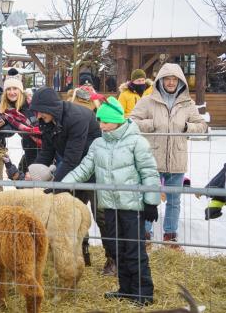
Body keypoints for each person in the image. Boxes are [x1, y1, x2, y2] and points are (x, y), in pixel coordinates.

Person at [62, 97, 161, 306]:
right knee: (118, 249)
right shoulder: (98, 143)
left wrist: (151, 202)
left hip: (132, 207)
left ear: (117, 120)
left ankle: (143, 292)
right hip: (109, 205)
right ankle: (125, 289)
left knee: (134, 250)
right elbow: (84, 168)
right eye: (99, 121)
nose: (101, 125)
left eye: (105, 121)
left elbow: (149, 173)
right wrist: (62, 184)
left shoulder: (137, 142)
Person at [30, 87, 112, 272]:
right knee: (73, 214)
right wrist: (33, 174)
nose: (39, 116)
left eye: (41, 111)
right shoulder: (48, 121)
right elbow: (47, 151)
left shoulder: (77, 117)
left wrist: (54, 186)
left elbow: (71, 157)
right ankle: (81, 254)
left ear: (51, 108)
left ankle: (112, 258)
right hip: (73, 171)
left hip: (95, 169)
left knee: (102, 214)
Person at [130, 63, 207, 250]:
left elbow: (203, 127)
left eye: (175, 79)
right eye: (167, 79)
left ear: (180, 82)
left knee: (174, 201)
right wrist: (152, 124)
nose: (171, 82)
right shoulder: (148, 101)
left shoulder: (187, 104)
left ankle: (170, 237)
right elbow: (131, 121)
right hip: (152, 160)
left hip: (177, 161)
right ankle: (145, 235)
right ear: (160, 81)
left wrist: (188, 128)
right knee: (149, 198)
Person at [0, 72, 41, 175]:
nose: (12, 92)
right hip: (29, 150)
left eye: (15, 88)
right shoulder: (5, 110)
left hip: (44, 149)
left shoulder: (31, 105)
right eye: (8, 89)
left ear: (20, 90)